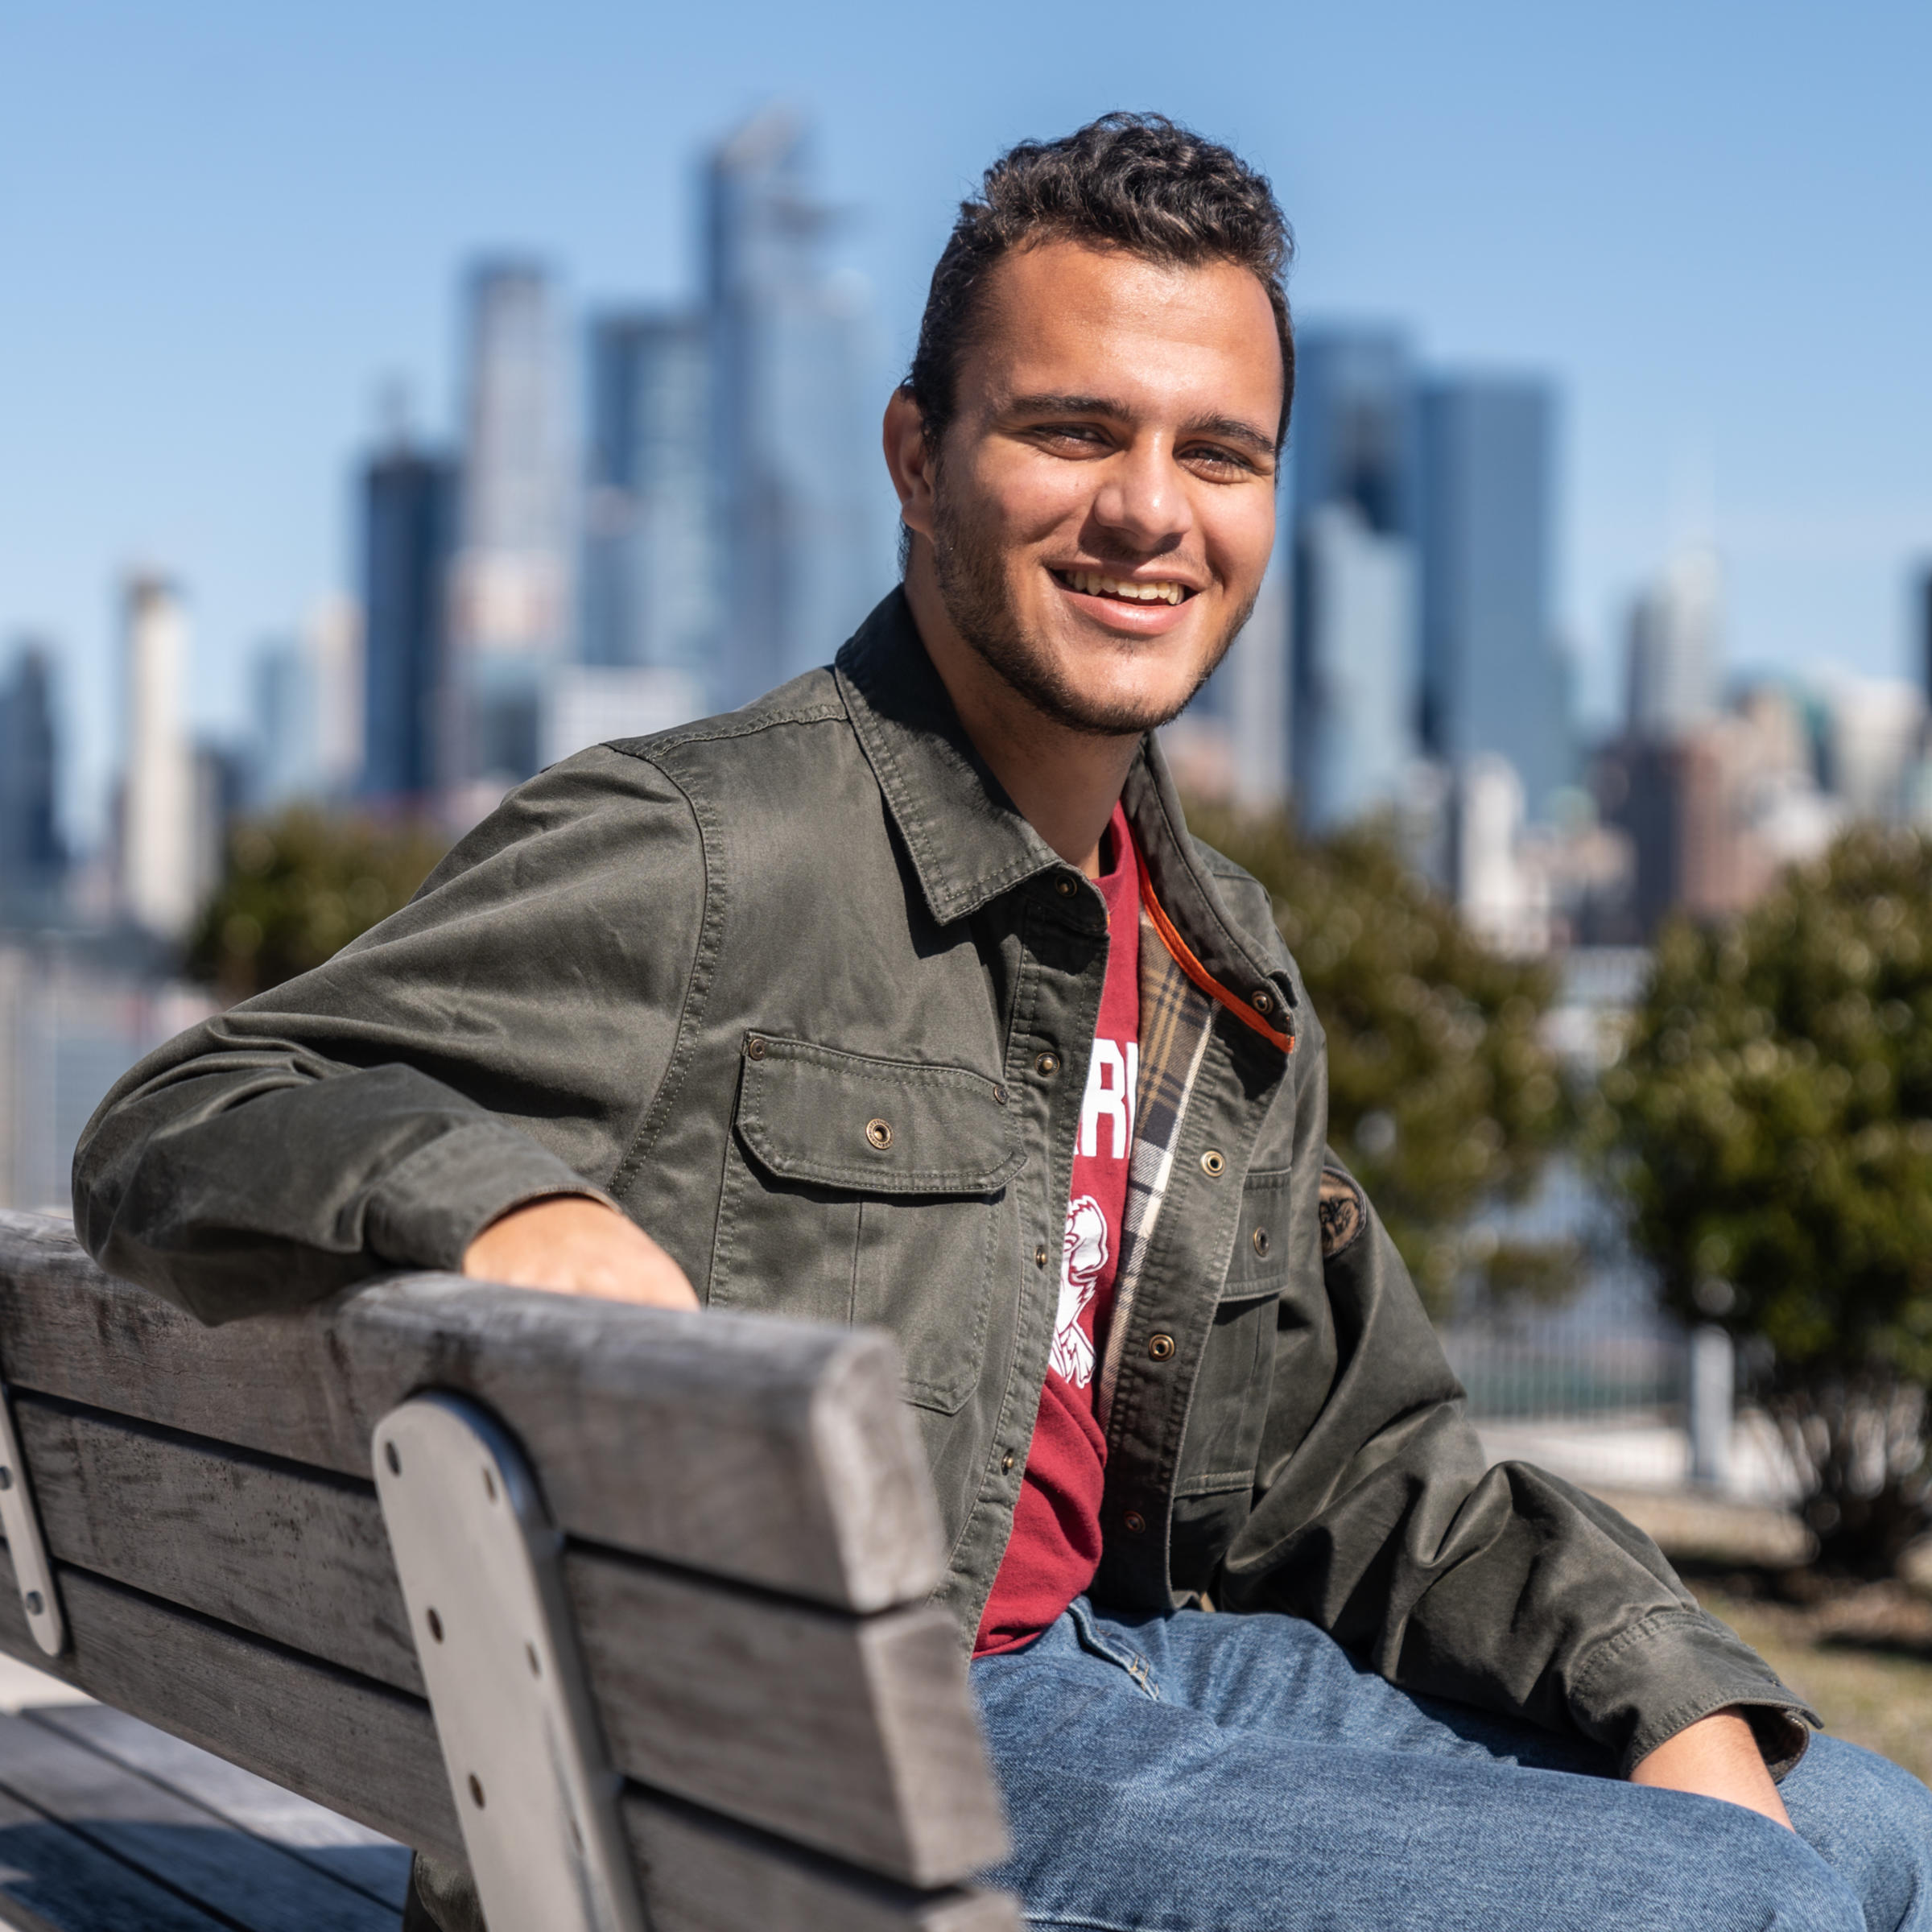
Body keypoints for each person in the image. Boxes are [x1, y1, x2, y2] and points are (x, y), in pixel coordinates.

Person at [75, 114, 1930, 1932]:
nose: (1149, 509)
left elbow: (1364, 1463)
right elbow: (192, 1115)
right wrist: (504, 1205)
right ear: (917, 454)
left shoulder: (1221, 956)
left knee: (1870, 1832)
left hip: (1132, 1672)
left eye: (1221, 451)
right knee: (1716, 1901)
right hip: (819, 1745)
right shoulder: (712, 846)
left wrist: (1659, 1686)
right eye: (1070, 430)